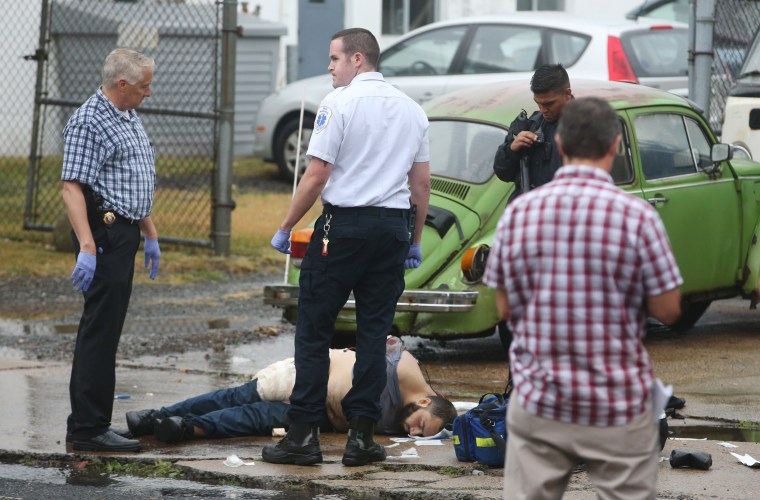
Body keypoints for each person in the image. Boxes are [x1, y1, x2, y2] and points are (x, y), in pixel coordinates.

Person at [484, 97, 683, 499]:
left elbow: (503, 308)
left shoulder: (519, 214)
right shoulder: (638, 216)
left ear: (559, 146)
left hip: (539, 400)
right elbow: (668, 310)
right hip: (618, 405)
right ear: (615, 146)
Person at [266, 28, 430, 467]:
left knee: (315, 331)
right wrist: (414, 240)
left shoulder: (337, 104)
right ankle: (362, 437)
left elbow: (317, 175)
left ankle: (302, 436)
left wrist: (286, 226)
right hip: (392, 230)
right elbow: (421, 183)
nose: (330, 67)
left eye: (335, 59)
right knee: (374, 337)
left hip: (343, 230)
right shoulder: (412, 110)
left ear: (358, 59)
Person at [61, 48, 160, 453]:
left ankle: (94, 422)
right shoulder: (89, 122)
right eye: (143, 86)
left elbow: (132, 179)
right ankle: (87, 429)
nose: (148, 93)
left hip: (125, 232)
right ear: (122, 85)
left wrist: (149, 230)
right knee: (99, 331)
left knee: (108, 328)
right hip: (102, 235)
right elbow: (72, 187)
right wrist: (87, 245)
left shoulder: (126, 114)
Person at [123, 337, 456, 444]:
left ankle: (183, 428)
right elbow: (376, 343)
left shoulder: (401, 423)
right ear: (427, 401)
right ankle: (154, 416)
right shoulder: (406, 368)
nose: (414, 432)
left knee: (255, 417)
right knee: (238, 396)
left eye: (420, 435)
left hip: (319, 414)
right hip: (306, 377)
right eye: (422, 425)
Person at [492, 64, 573, 194]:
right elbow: (503, 173)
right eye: (538, 103)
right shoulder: (532, 123)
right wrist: (512, 149)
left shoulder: (585, 129)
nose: (543, 110)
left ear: (567, 94)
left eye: (549, 104)